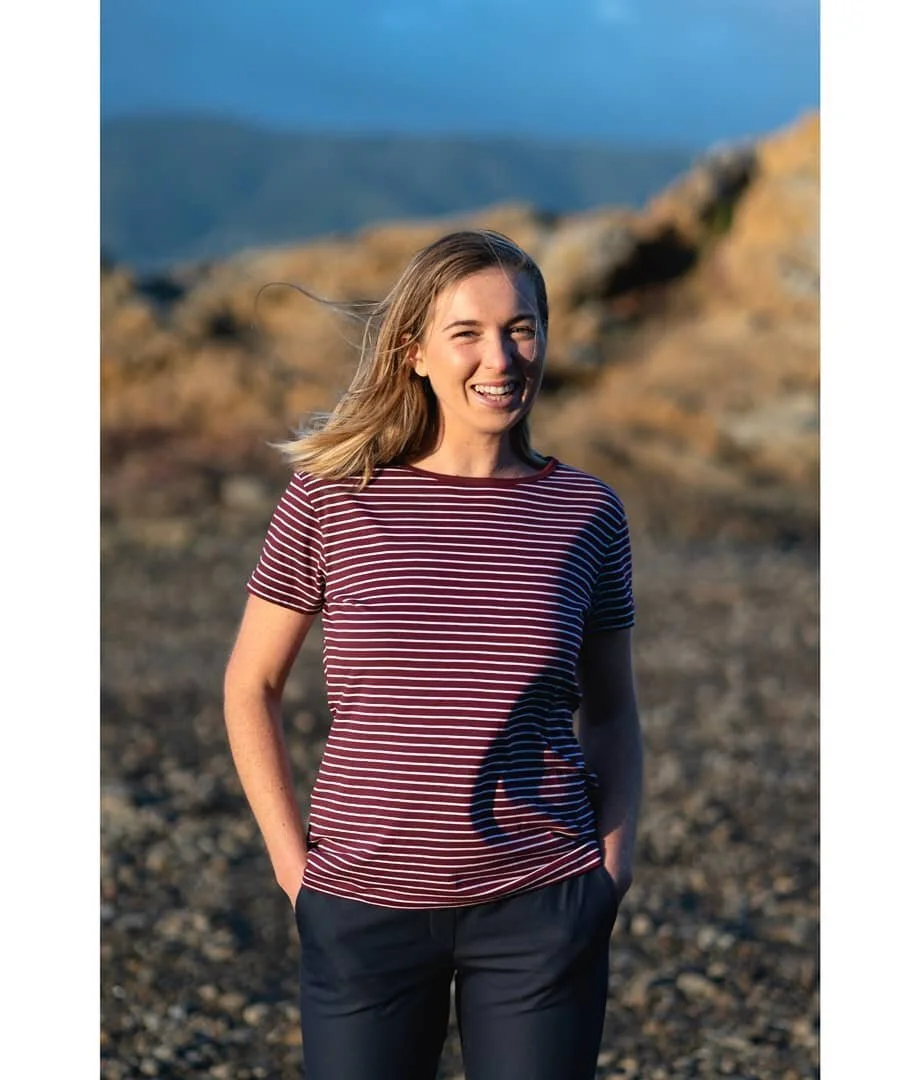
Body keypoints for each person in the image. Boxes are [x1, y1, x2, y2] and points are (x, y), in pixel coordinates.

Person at [223, 229, 644, 1080]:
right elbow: (250, 684)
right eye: (469, 333)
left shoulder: (587, 513)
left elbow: (613, 708)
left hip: (544, 901)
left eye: (522, 329)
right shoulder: (331, 497)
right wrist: (294, 871)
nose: (502, 356)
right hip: (358, 906)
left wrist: (610, 870)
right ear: (413, 352)